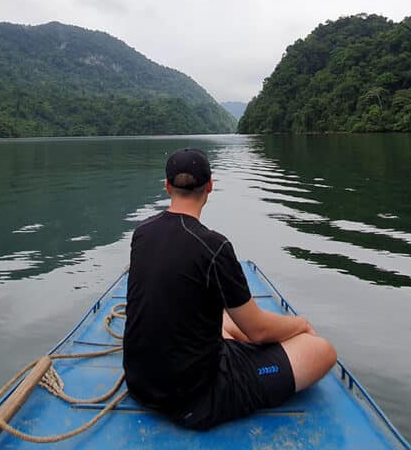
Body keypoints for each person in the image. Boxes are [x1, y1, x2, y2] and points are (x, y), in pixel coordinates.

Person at [123, 148, 337, 430]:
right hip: (194, 398)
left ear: (167, 186)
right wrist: (300, 324)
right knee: (321, 350)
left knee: (223, 316)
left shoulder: (142, 232)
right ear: (210, 186)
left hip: (140, 384)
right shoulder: (214, 247)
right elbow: (257, 331)